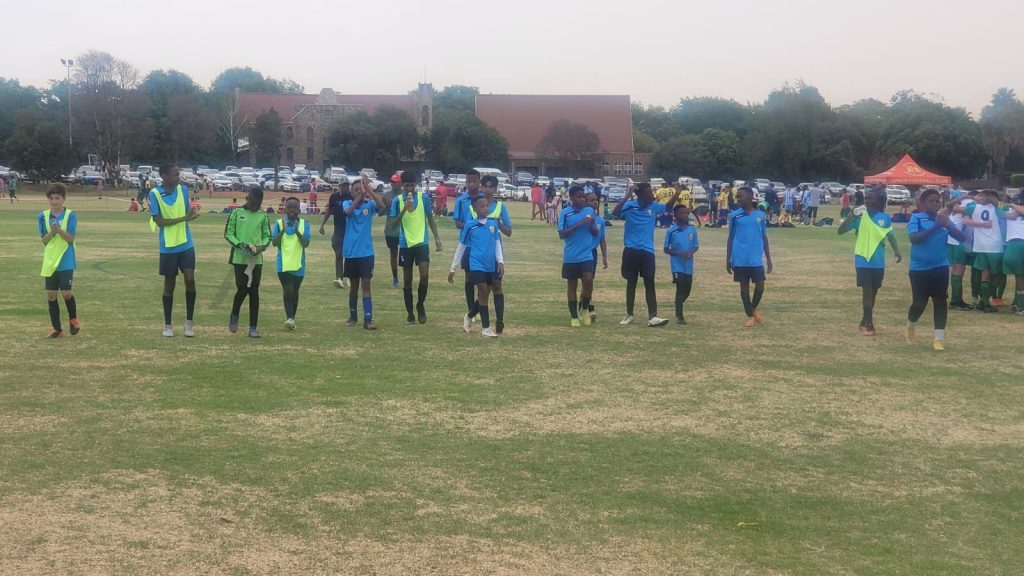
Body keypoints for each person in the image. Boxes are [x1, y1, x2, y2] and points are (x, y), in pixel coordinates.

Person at [906, 189, 966, 350]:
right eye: (931, 201)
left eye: (937, 201)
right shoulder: (917, 218)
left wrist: (947, 226)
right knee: (919, 303)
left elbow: (961, 238)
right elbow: (914, 239)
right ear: (923, 204)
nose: (935, 203)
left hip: (940, 267)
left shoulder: (944, 219)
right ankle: (910, 326)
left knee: (940, 301)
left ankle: (938, 339)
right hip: (919, 268)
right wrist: (936, 227)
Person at [838, 189, 902, 336]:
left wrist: (896, 250)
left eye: (870, 198)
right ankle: (870, 324)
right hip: (862, 259)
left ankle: (863, 320)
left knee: (873, 292)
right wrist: (850, 217)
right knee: (867, 290)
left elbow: (890, 235)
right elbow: (840, 231)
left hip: (878, 261)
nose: (867, 200)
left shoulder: (885, 217)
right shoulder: (859, 216)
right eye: (866, 198)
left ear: (879, 201)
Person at [612, 182, 677, 327]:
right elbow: (615, 212)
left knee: (649, 282)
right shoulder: (630, 206)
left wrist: (677, 193)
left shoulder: (653, 206)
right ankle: (629, 314)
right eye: (648, 193)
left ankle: (653, 316)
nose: (652, 195)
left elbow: (668, 207)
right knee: (631, 283)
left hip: (647, 251)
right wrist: (628, 194)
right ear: (640, 195)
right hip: (631, 250)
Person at [149, 164, 199, 337]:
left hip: (186, 243)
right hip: (168, 246)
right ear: (164, 176)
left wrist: (192, 215)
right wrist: (184, 218)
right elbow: (159, 221)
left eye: (179, 174)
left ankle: (189, 323)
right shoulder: (155, 194)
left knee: (190, 280)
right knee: (169, 284)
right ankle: (168, 324)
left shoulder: (183, 190)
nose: (178, 178)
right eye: (175, 175)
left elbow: (186, 214)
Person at [388, 170, 443, 325]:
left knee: (424, 275)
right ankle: (410, 314)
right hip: (406, 244)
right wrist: (404, 209)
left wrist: (437, 238)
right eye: (407, 186)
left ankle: (420, 305)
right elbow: (393, 225)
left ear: (416, 185)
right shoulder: (397, 201)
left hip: (422, 242)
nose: (410, 189)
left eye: (412, 185)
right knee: (407, 280)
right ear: (402, 185)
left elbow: (430, 219)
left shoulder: (423, 198)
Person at [448, 195, 505, 338]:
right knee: (483, 291)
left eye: (487, 206)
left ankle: (469, 316)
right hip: (476, 264)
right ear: (474, 209)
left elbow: (497, 243)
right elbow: (461, 247)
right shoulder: (470, 226)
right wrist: (453, 268)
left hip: (490, 265)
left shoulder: (493, 224)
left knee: (484, 295)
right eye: (482, 206)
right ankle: (486, 328)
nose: (485, 208)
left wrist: (500, 261)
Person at [462, 175, 512, 332]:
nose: (488, 189)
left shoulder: (500, 207)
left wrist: (499, 224)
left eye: (491, 187)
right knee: (484, 290)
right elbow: (468, 229)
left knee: (497, 286)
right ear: (481, 187)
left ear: (495, 189)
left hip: (494, 254)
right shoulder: (474, 207)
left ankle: (500, 320)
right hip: (477, 254)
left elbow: (509, 232)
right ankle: (472, 315)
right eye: (485, 186)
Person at [224, 187, 271, 338]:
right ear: (248, 198)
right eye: (254, 203)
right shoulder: (237, 213)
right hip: (240, 258)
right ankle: (234, 313)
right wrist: (239, 245)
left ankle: (253, 328)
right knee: (242, 288)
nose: (256, 206)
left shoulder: (262, 216)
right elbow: (228, 233)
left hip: (256, 259)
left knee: (254, 291)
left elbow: (267, 236)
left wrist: (261, 247)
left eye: (259, 204)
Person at [726, 187, 773, 327]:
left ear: (750, 196)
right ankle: (751, 316)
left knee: (760, 286)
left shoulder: (760, 215)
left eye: (740, 196)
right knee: (744, 288)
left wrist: (769, 259)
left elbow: (763, 236)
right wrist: (728, 259)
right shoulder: (735, 215)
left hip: (756, 259)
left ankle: (752, 309)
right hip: (740, 258)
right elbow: (730, 237)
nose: (738, 199)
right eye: (737, 197)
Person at [343, 174, 385, 330]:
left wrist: (368, 189)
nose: (358, 192)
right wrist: (360, 196)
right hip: (351, 253)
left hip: (366, 253)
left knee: (366, 285)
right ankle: (353, 316)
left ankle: (368, 319)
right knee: (353, 286)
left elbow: (381, 206)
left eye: (359, 189)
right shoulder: (347, 203)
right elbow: (348, 212)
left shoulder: (369, 205)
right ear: (351, 192)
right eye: (355, 190)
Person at [38, 183, 79, 338]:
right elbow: (44, 240)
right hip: (50, 260)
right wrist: (52, 232)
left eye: (57, 198)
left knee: (66, 293)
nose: (54, 201)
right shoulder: (43, 216)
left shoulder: (70, 215)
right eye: (52, 198)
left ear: (63, 199)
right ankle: (57, 329)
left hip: (66, 259)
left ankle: (73, 319)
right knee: (51, 295)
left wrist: (59, 230)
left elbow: (70, 239)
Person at [558, 185, 600, 327]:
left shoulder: (589, 211)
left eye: (583, 197)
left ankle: (585, 307)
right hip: (571, 255)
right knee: (572, 286)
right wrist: (579, 224)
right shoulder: (565, 213)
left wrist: (591, 226)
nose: (582, 199)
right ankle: (574, 316)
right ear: (571, 198)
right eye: (579, 197)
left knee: (588, 280)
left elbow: (595, 233)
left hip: (587, 254)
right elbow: (561, 234)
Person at [958, 190, 1004, 313]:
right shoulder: (998, 208)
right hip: (995, 246)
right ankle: (987, 302)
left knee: (984, 273)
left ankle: (984, 302)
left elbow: (957, 209)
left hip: (980, 246)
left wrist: (972, 198)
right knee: (996, 275)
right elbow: (1006, 207)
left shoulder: (974, 207)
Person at [272, 197, 312, 330]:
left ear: (299, 210)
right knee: (288, 290)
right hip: (283, 265)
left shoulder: (305, 224)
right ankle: (289, 317)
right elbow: (274, 243)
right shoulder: (279, 223)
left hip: (299, 265)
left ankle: (292, 319)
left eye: (295, 208)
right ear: (285, 209)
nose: (292, 210)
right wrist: (283, 231)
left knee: (295, 292)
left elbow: (306, 244)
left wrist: (297, 232)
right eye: (289, 207)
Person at [664, 203, 699, 325]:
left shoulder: (692, 229)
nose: (685, 215)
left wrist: (690, 253)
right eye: (682, 213)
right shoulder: (671, 231)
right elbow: (666, 249)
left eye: (686, 213)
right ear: (675, 215)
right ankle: (679, 316)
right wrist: (679, 253)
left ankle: (677, 304)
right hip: (677, 265)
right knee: (680, 288)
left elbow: (696, 246)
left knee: (687, 290)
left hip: (688, 266)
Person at [319, 180, 352, 288]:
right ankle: (339, 278)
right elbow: (329, 211)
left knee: (349, 255)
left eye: (347, 185)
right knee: (338, 254)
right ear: (340, 186)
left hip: (349, 230)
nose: (345, 187)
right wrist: (322, 225)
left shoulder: (352, 197)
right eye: (343, 185)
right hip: (338, 230)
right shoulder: (334, 197)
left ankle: (349, 276)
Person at [946, 191, 975, 311]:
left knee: (956, 270)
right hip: (958, 240)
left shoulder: (959, 202)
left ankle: (957, 299)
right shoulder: (971, 203)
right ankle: (955, 301)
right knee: (958, 270)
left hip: (951, 239)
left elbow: (949, 206)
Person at [585, 191, 608, 323]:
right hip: (581, 251)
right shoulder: (582, 218)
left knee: (589, 281)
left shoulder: (600, 220)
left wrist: (604, 256)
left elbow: (602, 239)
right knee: (584, 281)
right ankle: (587, 306)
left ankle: (587, 305)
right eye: (591, 200)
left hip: (592, 253)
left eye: (596, 200)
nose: (595, 202)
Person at [1001, 195, 1024, 315]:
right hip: (1016, 244)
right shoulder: (1009, 210)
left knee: (1019, 276)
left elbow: (1010, 215)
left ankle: (1019, 304)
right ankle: (1019, 303)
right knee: (1020, 276)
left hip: (1014, 245)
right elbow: (1010, 215)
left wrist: (1012, 204)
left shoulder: (1009, 209)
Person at [383, 174, 403, 288]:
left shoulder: (404, 195)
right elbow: (379, 213)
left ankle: (406, 276)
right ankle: (395, 278)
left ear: (400, 183)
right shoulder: (387, 195)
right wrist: (386, 206)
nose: (392, 184)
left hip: (404, 230)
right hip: (391, 230)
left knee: (405, 254)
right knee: (393, 254)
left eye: (395, 182)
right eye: (391, 181)